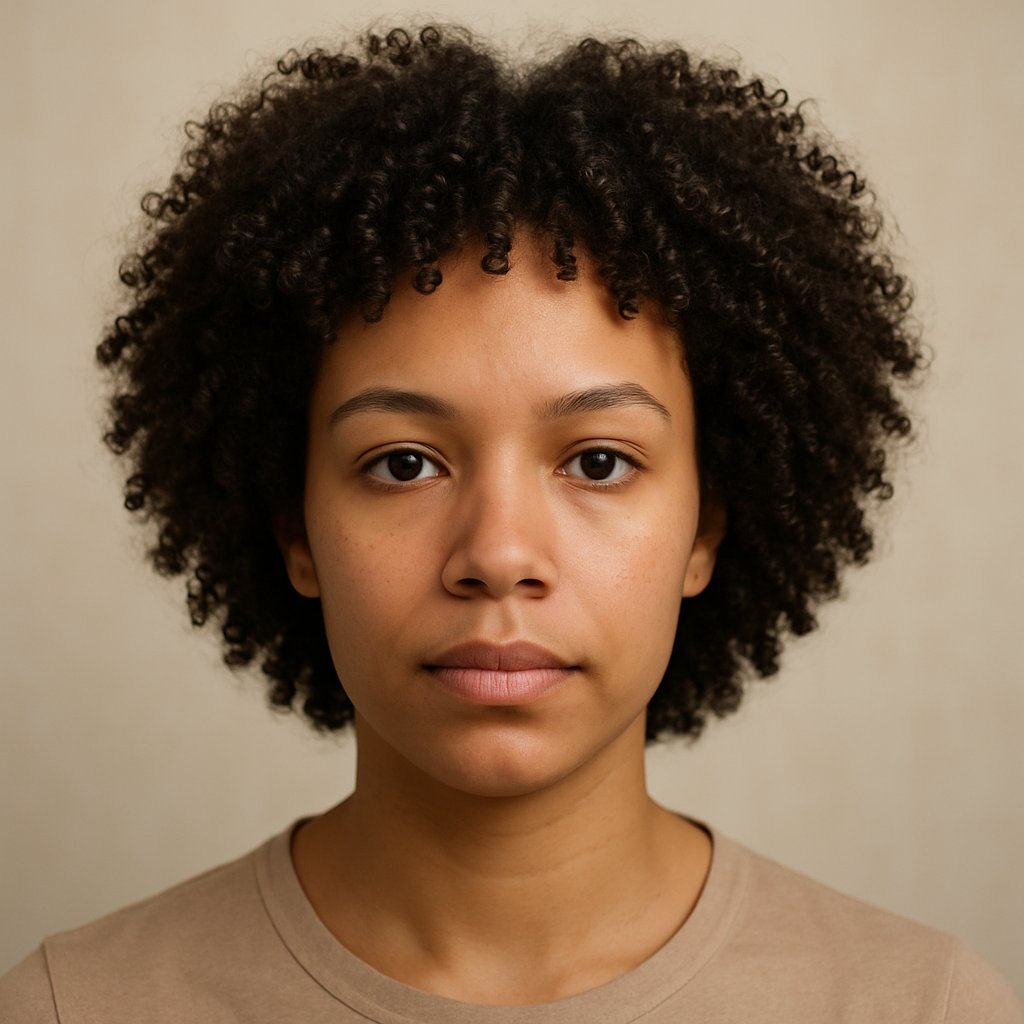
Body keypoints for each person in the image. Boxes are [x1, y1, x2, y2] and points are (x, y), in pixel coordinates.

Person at [1, 23, 1020, 1023]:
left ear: (705, 530)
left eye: (598, 461)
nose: (497, 556)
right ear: (295, 530)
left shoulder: (918, 1006)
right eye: (403, 464)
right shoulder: (75, 1006)